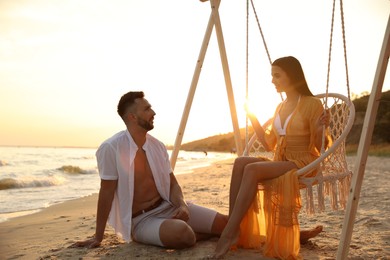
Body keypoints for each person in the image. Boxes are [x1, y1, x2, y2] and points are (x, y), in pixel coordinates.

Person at [71, 91, 228, 249]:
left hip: (168, 207)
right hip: (142, 220)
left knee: (225, 223)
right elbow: (106, 192)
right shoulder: (111, 148)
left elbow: (173, 183)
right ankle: (188, 233)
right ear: (132, 116)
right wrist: (98, 237)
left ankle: (200, 232)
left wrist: (182, 205)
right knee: (183, 233)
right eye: (147, 109)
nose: (153, 113)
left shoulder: (158, 146)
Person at [212, 56, 330, 259]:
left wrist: (321, 127)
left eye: (277, 75)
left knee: (252, 169)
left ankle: (229, 233)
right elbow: (269, 144)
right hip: (282, 161)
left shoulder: (313, 104)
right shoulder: (280, 107)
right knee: (241, 162)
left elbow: (321, 147)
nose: (272, 80)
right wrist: (253, 118)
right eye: (272, 75)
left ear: (291, 76)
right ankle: (235, 226)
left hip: (304, 161)